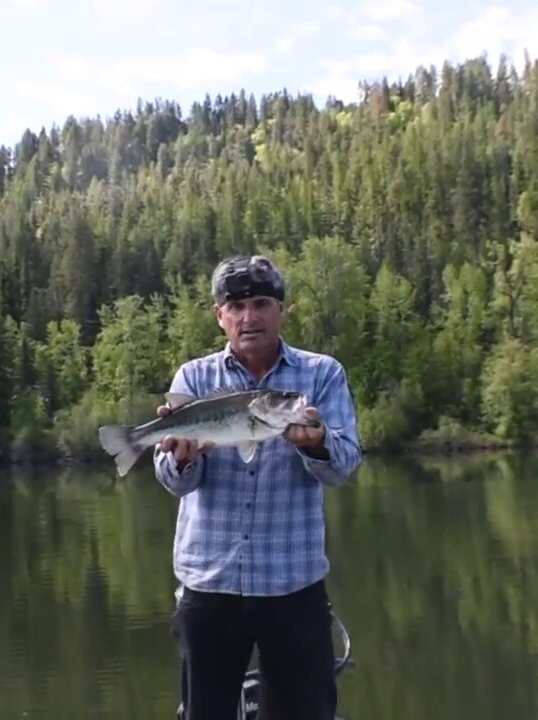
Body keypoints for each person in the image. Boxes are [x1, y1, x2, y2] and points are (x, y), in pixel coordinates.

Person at [152, 254, 362, 720]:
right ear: (219, 314)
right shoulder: (193, 378)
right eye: (238, 305)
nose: (250, 317)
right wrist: (181, 462)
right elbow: (171, 480)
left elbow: (344, 466)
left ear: (281, 310)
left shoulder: (321, 375)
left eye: (262, 303)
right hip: (208, 584)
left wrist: (319, 444)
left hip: (293, 584)